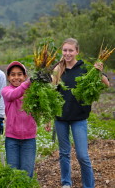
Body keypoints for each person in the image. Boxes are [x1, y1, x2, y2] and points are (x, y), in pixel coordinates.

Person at [52, 38, 109, 188]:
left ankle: (89, 185)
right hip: (60, 117)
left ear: (77, 51)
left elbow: (106, 83)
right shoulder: (58, 69)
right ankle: (66, 183)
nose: (67, 53)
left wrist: (99, 71)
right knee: (64, 153)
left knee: (82, 155)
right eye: (65, 50)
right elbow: (51, 92)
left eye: (71, 50)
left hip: (79, 118)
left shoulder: (85, 68)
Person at [1, 61, 37, 178]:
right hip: (12, 139)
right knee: (13, 172)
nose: (16, 77)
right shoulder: (6, 91)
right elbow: (14, 95)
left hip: (29, 138)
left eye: (19, 74)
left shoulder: (32, 92)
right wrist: (29, 83)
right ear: (8, 77)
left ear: (24, 76)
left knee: (27, 173)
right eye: (13, 74)